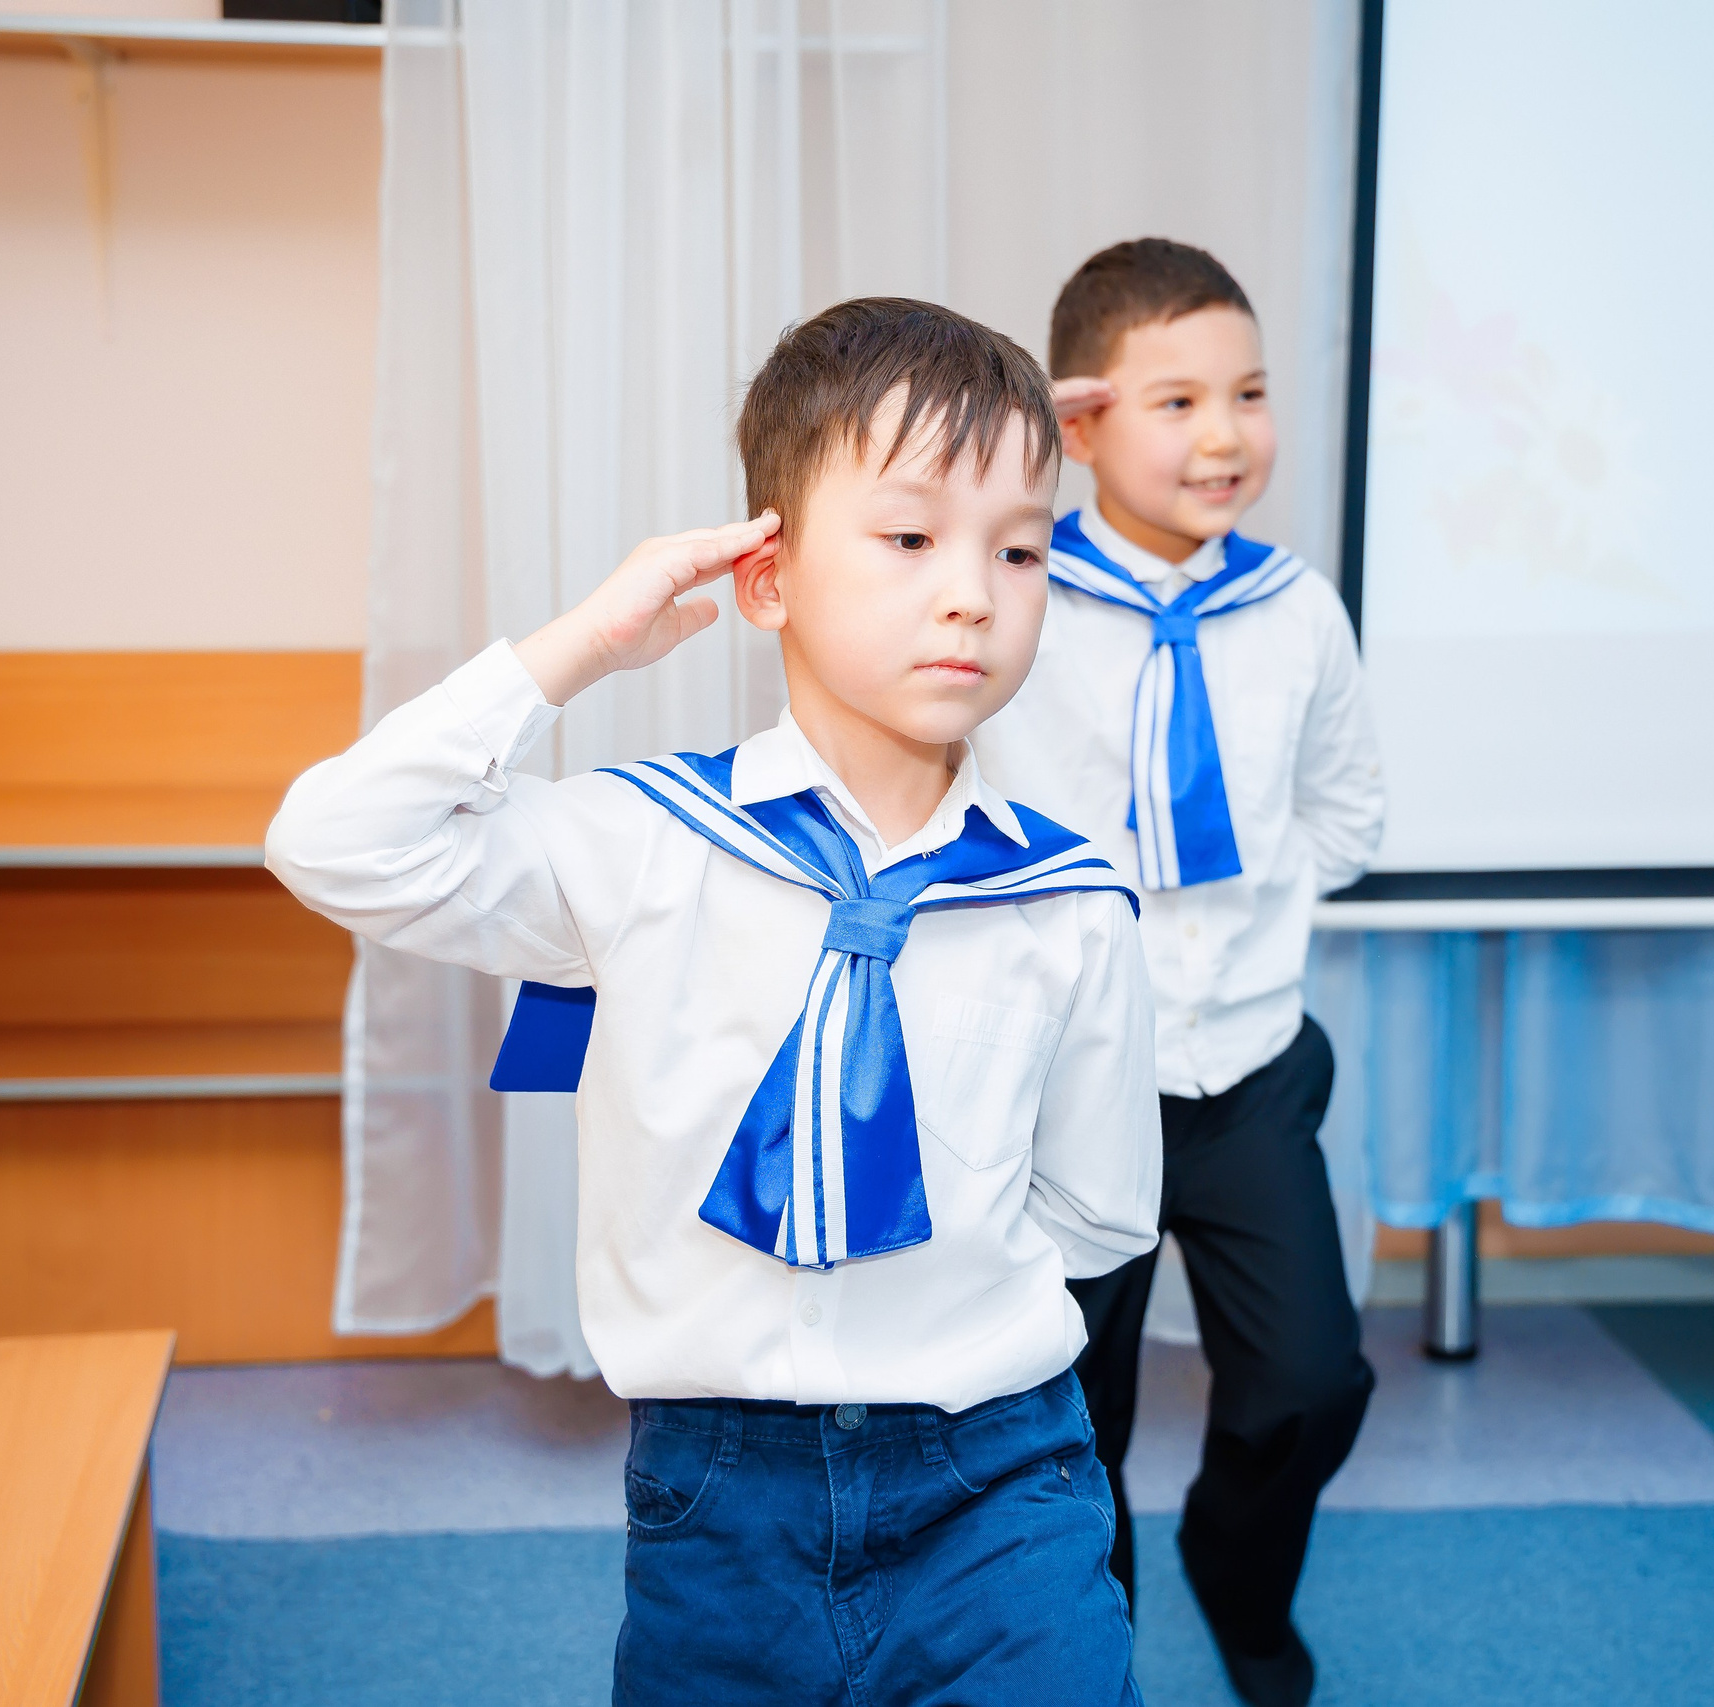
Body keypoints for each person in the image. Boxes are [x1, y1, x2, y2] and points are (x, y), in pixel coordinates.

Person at [267, 298, 1161, 1706]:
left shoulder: (1071, 896)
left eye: (1020, 548)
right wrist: (581, 647)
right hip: (721, 1495)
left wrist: (940, 1319)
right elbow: (335, 844)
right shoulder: (642, 843)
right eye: (910, 537)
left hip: (1001, 1474)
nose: (973, 594)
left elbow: (1099, 1210)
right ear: (767, 575)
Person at [973, 238, 1387, 1707]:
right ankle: (1101, 1650)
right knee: (1074, 1416)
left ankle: (1238, 1566)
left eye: (1250, 394)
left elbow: (1348, 814)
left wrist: (1242, 913)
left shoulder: (1297, 608)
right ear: (1081, 424)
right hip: (1072, 1085)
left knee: (1313, 1382)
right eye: (1177, 401)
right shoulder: (1009, 593)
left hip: (1246, 1069)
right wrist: (1016, 448)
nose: (1225, 435)